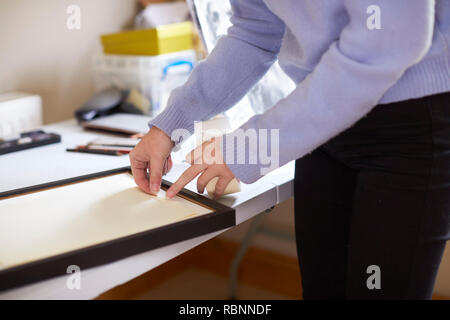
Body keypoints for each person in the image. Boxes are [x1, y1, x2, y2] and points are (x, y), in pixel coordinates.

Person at [130, 0, 450, 299]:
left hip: (412, 124)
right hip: (322, 122)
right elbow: (254, 33)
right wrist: (170, 125)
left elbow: (390, 40)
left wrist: (251, 146)